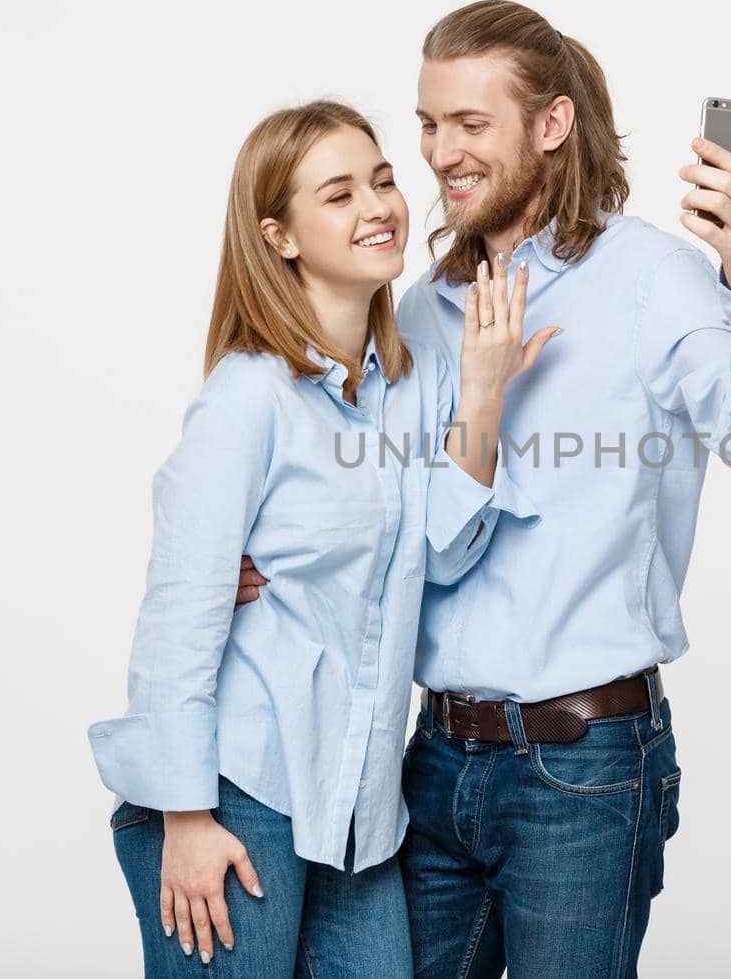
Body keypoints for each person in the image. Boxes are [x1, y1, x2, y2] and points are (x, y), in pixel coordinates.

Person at [238, 1, 731, 977]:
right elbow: (402, 527)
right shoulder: (420, 306)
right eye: (428, 124)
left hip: (582, 765)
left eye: (470, 125)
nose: (439, 152)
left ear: (549, 126)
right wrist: (270, 559)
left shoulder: (653, 280)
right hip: (428, 760)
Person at [88, 99, 557, 976]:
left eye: (382, 180)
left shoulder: (408, 388)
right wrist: (186, 818)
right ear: (281, 236)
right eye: (338, 194)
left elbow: (446, 553)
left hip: (358, 809)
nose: (377, 206)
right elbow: (180, 616)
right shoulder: (247, 399)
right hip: (238, 789)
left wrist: (484, 397)